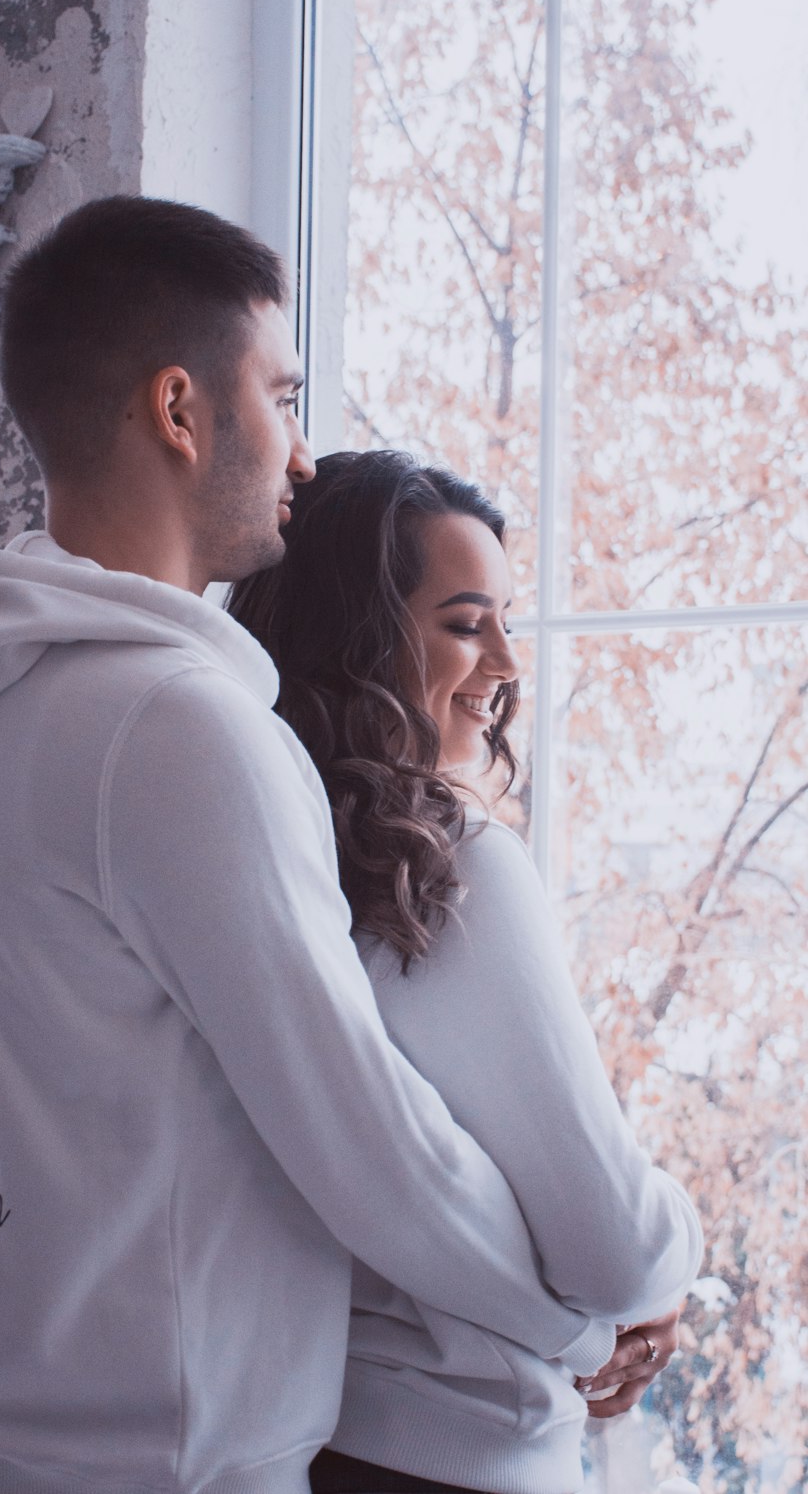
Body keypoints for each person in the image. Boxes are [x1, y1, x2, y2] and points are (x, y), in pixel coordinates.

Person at [0, 198, 644, 1494]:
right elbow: (365, 1140)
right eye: (281, 396)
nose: (300, 453)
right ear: (181, 411)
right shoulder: (175, 727)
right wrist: (575, 1323)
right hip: (143, 1464)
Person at [228, 449, 704, 1494]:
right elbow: (614, 1248)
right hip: (466, 1454)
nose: (504, 662)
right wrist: (678, 1256)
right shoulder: (443, 868)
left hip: (323, 1432)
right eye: (462, 622)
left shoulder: (269, 852)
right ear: (356, 637)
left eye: (501, 621)